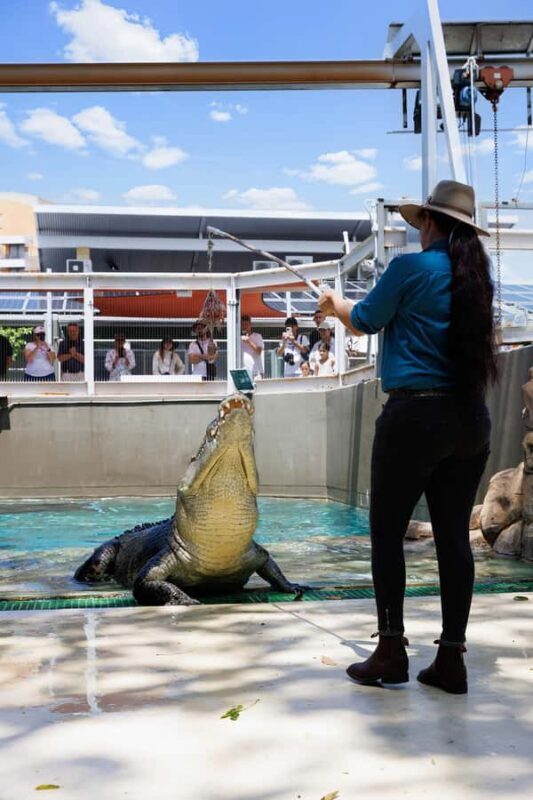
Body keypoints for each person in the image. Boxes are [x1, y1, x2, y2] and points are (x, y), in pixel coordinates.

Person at [319, 180, 496, 695]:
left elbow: (368, 320)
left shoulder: (409, 269)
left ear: (431, 223)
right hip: (470, 421)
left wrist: (334, 303)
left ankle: (392, 650)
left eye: (420, 222)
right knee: (452, 542)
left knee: (386, 533)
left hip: (413, 419)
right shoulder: (476, 281)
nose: (416, 229)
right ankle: (451, 660)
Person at [240, 314, 264, 380]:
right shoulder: (238, 338)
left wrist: (249, 342)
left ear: (250, 325)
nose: (244, 326)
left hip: (256, 373)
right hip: (243, 373)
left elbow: (259, 352)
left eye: (246, 324)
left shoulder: (257, 336)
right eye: (242, 324)